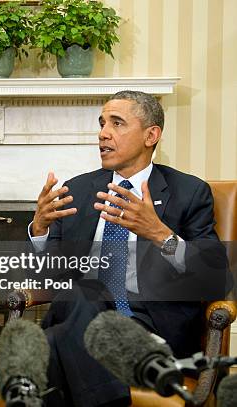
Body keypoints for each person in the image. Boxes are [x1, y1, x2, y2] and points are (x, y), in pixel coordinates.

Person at [28, 90, 228, 406]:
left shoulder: (188, 192)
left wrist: (160, 234)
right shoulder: (77, 190)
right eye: (102, 123)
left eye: (117, 123)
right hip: (82, 312)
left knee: (54, 341)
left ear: (151, 135)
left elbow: (215, 279)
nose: (103, 133)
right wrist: (39, 231)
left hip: (149, 329)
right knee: (85, 293)